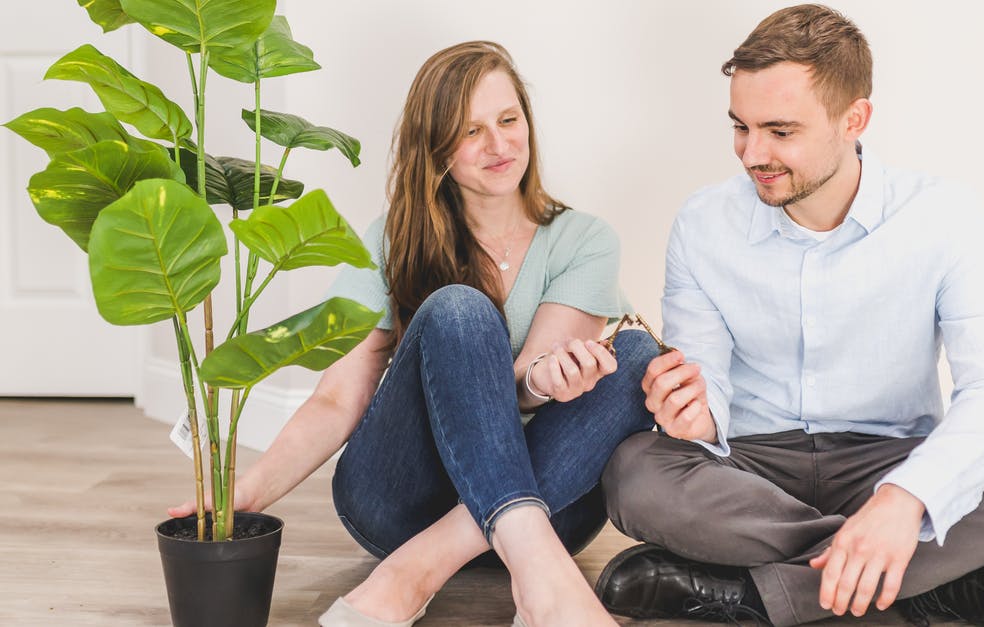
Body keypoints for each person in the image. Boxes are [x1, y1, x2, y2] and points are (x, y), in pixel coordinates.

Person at [594, 5, 984, 626]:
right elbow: (706, 381)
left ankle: (750, 595)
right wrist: (694, 413)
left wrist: (905, 501)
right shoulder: (702, 222)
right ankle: (921, 578)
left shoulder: (944, 218)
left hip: (893, 457)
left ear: (855, 119)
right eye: (740, 127)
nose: (751, 153)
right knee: (635, 473)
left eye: (780, 130)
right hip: (753, 469)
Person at [168, 41, 658, 627]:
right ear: (436, 148)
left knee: (638, 355)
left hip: (554, 507)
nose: (500, 146)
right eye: (471, 131)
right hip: (401, 501)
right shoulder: (393, 239)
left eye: (508, 120)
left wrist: (547, 381)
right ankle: (529, 580)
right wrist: (243, 496)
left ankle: (416, 571)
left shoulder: (585, 239)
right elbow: (337, 398)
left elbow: (525, 383)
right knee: (457, 309)